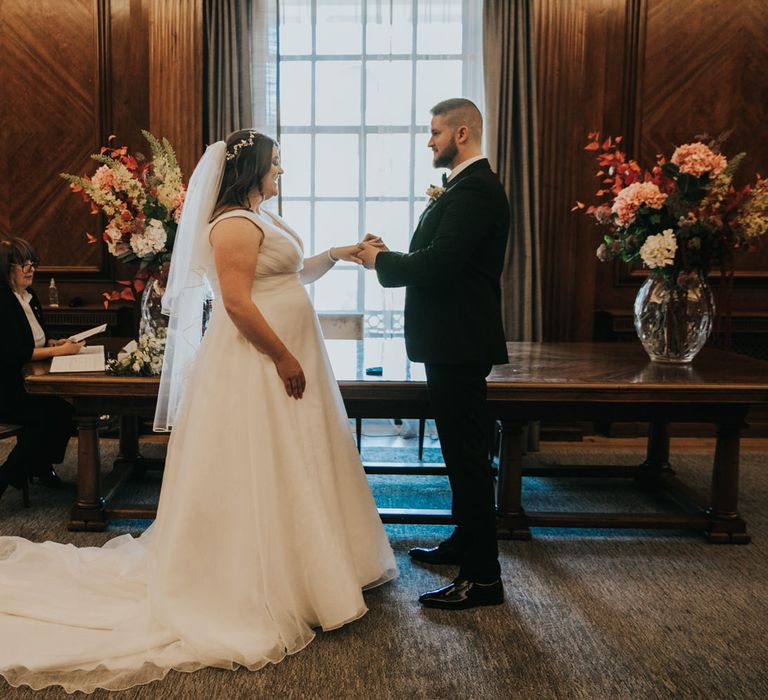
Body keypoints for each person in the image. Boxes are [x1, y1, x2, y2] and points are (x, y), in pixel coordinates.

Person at [0, 130, 396, 693]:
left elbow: (291, 274)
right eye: (275, 164)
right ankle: (262, 575)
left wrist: (338, 254)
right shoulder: (232, 224)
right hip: (258, 362)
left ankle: (317, 563)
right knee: (261, 460)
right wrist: (282, 354)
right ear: (252, 168)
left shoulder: (263, 218)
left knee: (299, 458)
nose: (281, 171)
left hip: (286, 354)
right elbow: (236, 303)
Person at [355, 98, 510, 610]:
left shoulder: (475, 190)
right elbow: (444, 259)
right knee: (458, 455)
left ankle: (484, 579)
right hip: (452, 341)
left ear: (461, 132)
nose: (429, 142)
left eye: (435, 132)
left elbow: (440, 266)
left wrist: (382, 260)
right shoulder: (465, 188)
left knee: (467, 460)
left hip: (459, 343)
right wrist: (390, 256)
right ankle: (464, 542)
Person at [0, 238, 83, 499]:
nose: (30, 268)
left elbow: (36, 338)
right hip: (7, 386)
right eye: (23, 263)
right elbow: (15, 352)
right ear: (5, 267)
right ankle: (8, 476)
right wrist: (58, 352)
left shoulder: (31, 296)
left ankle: (39, 465)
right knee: (44, 418)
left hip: (29, 382)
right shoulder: (3, 300)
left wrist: (53, 342)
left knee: (66, 413)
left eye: (32, 262)